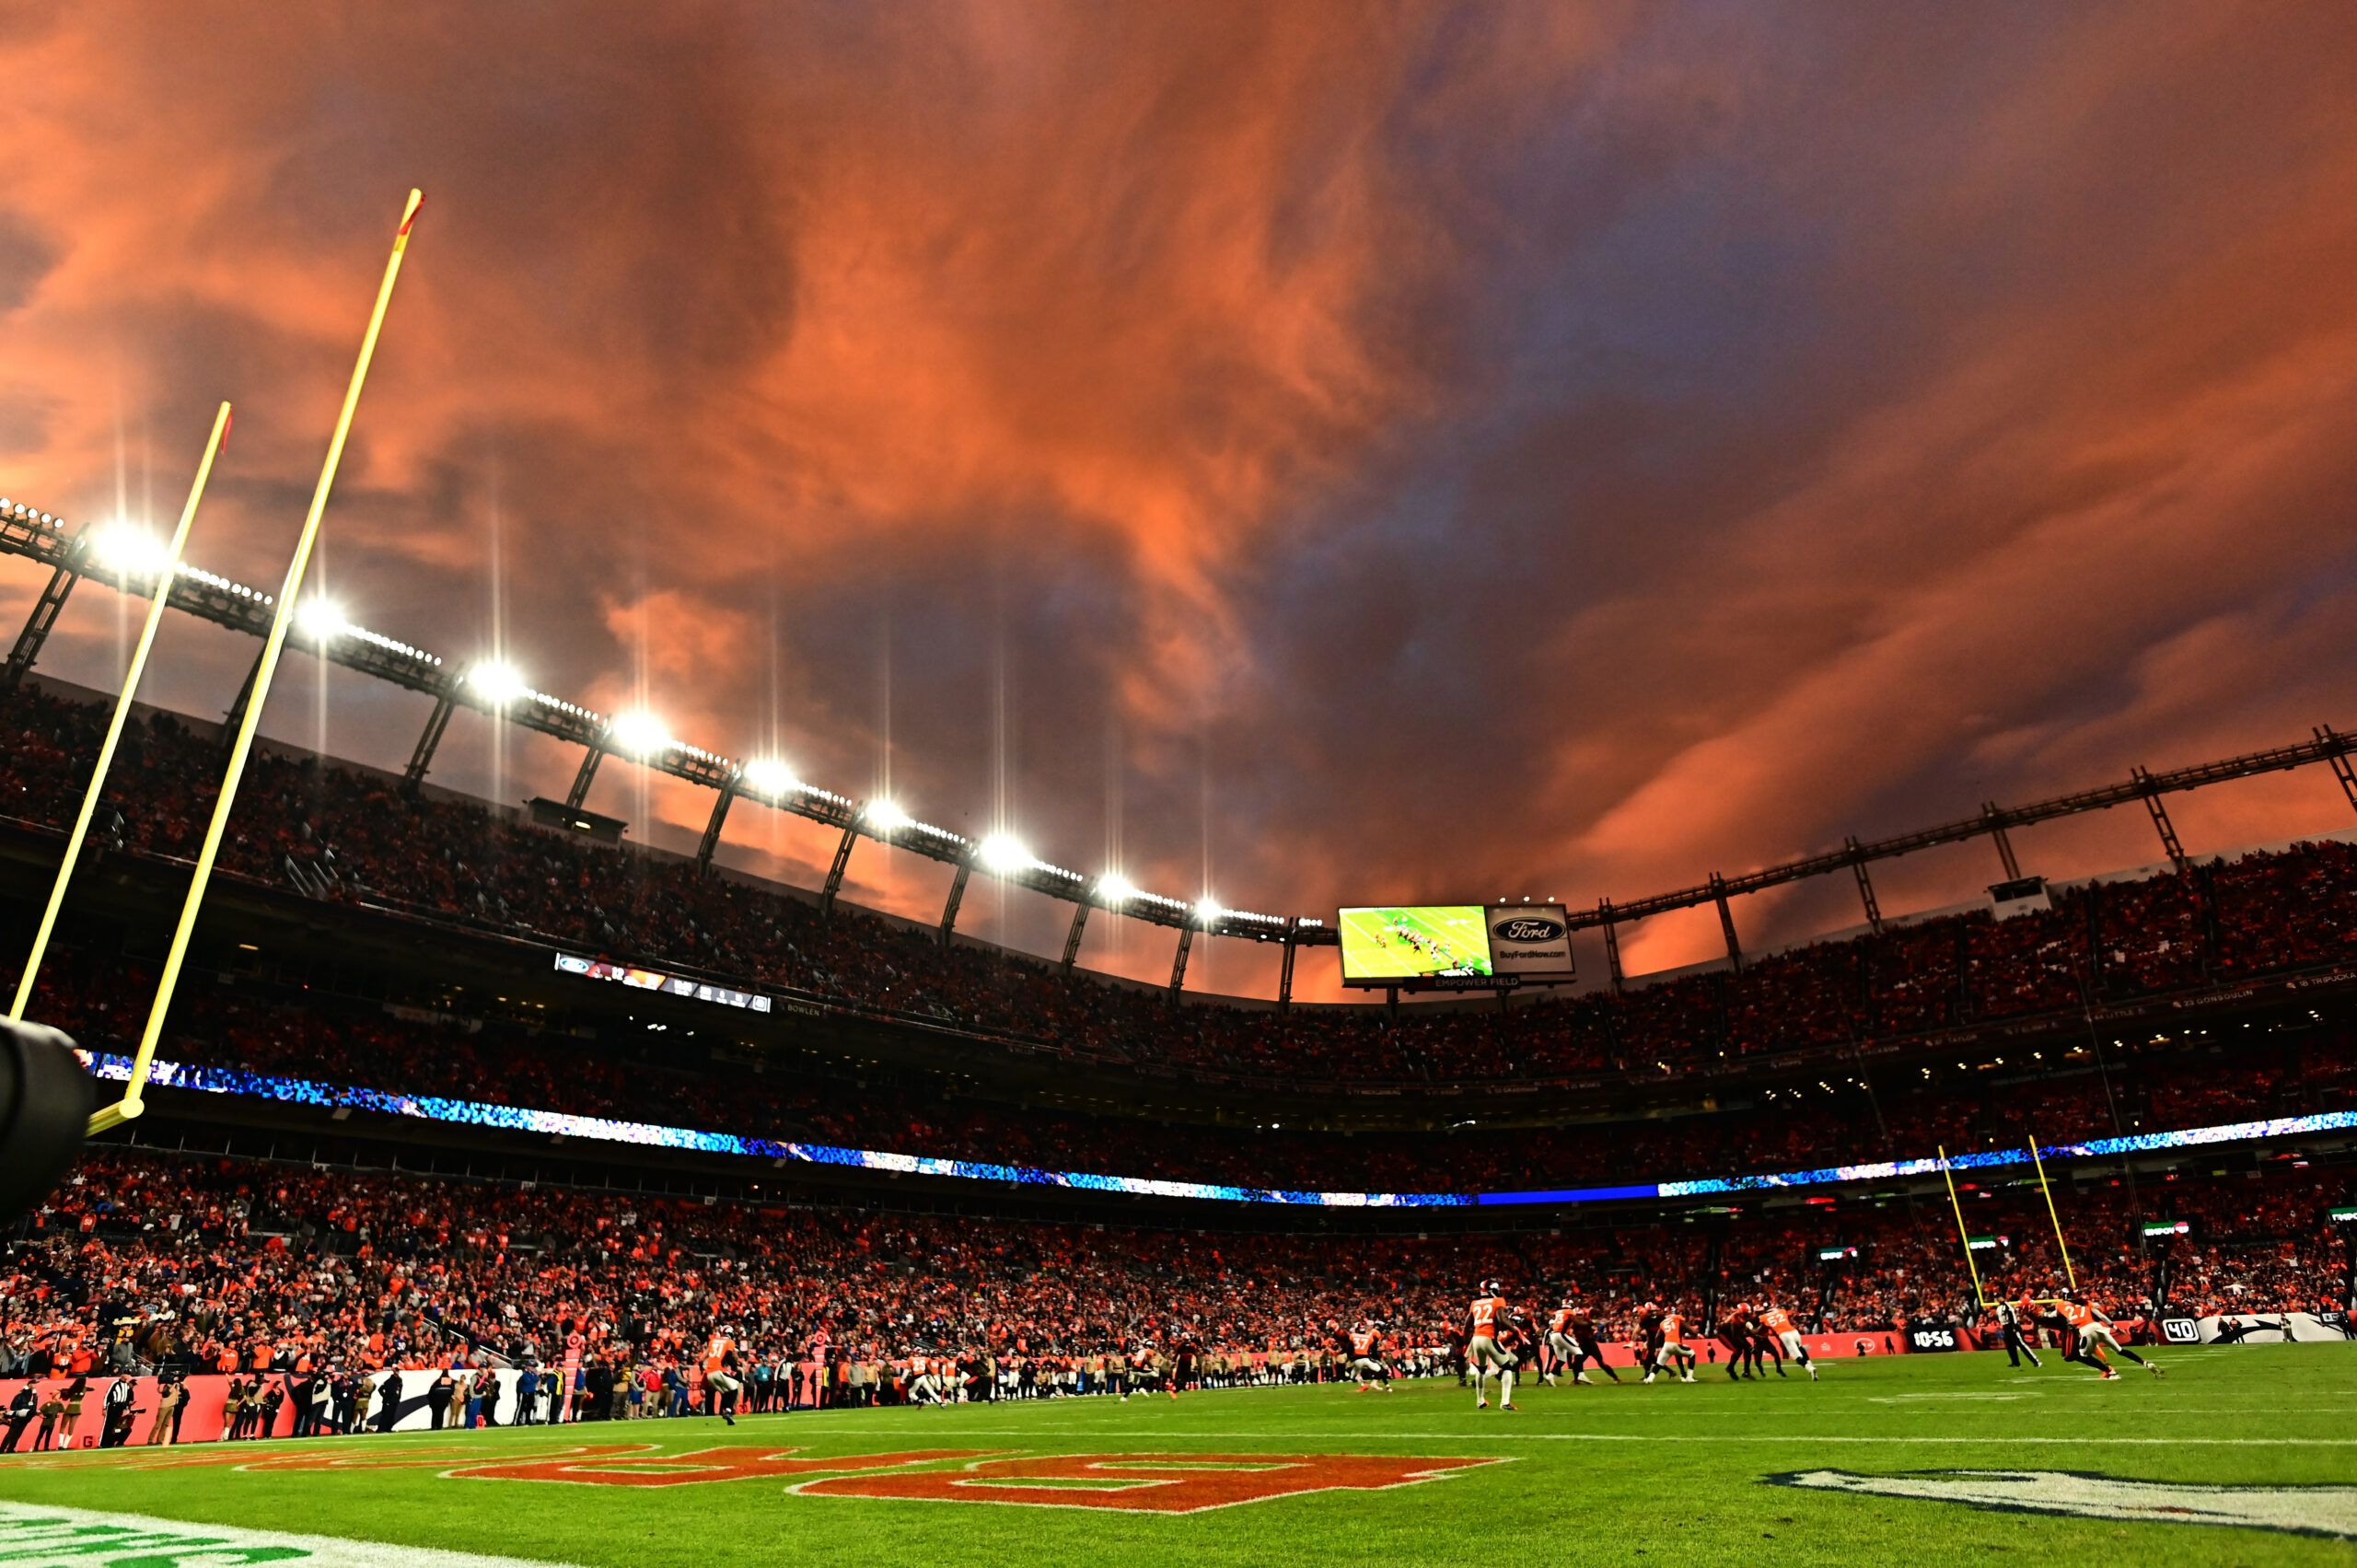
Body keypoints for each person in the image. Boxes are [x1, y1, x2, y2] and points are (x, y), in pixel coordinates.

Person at [1464, 1280, 1517, 1411]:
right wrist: (1515, 1330)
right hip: (1489, 1337)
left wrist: (1466, 1343)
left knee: (1481, 1370)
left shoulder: (1474, 1303)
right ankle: (1505, 1402)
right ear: (1493, 1289)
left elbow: (1466, 1325)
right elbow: (1501, 1319)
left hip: (1476, 1339)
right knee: (1507, 1367)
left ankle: (1480, 1401)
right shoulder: (1497, 1300)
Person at [1759, 1302, 1817, 1381]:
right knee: (1800, 1348)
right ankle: (1810, 1365)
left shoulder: (1763, 1317)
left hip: (1784, 1335)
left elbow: (1760, 1327)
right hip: (1794, 1332)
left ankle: (1810, 1369)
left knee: (1797, 1357)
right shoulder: (1782, 1311)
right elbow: (1789, 1311)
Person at [1346, 1321, 1390, 1393]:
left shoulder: (1353, 1335)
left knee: (1353, 1375)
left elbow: (1349, 1347)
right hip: (1367, 1356)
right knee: (1381, 1369)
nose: (1368, 1327)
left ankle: (1370, 1384)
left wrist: (1350, 1358)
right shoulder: (1369, 1336)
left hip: (1360, 1357)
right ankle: (1384, 1385)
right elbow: (1375, 1344)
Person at [3, 1383, 36, 1453]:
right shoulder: (19, 1396)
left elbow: (33, 1407)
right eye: (32, 1387)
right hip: (17, 1419)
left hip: (24, 1420)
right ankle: (2, 1449)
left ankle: (11, 1449)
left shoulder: (31, 1399)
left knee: (17, 1435)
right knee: (11, 1434)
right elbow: (13, 1407)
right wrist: (19, 1413)